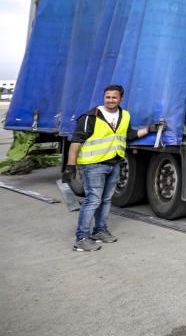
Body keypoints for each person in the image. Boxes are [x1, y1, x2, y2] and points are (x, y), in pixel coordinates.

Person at [62, 84, 159, 252]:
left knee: (106, 200)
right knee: (93, 200)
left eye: (114, 97)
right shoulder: (90, 116)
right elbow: (76, 142)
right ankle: (82, 238)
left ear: (121, 98)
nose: (111, 100)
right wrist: (70, 166)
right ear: (104, 97)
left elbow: (128, 135)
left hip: (114, 163)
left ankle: (100, 231)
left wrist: (149, 130)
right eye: (108, 97)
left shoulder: (124, 115)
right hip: (93, 165)